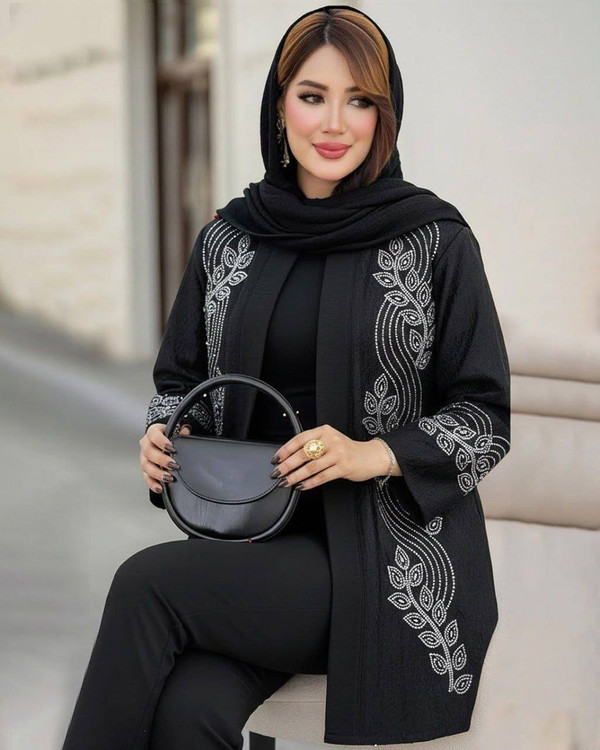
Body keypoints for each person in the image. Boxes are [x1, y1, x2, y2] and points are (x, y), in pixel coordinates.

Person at [61, 5, 511, 748]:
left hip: (382, 560)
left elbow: (485, 417)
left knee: (147, 583)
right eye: (312, 96)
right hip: (252, 545)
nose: (334, 123)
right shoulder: (229, 238)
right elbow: (179, 382)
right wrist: (164, 434)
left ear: (385, 114)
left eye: (359, 100)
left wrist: (371, 453)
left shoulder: (434, 240)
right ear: (278, 106)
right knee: (189, 713)